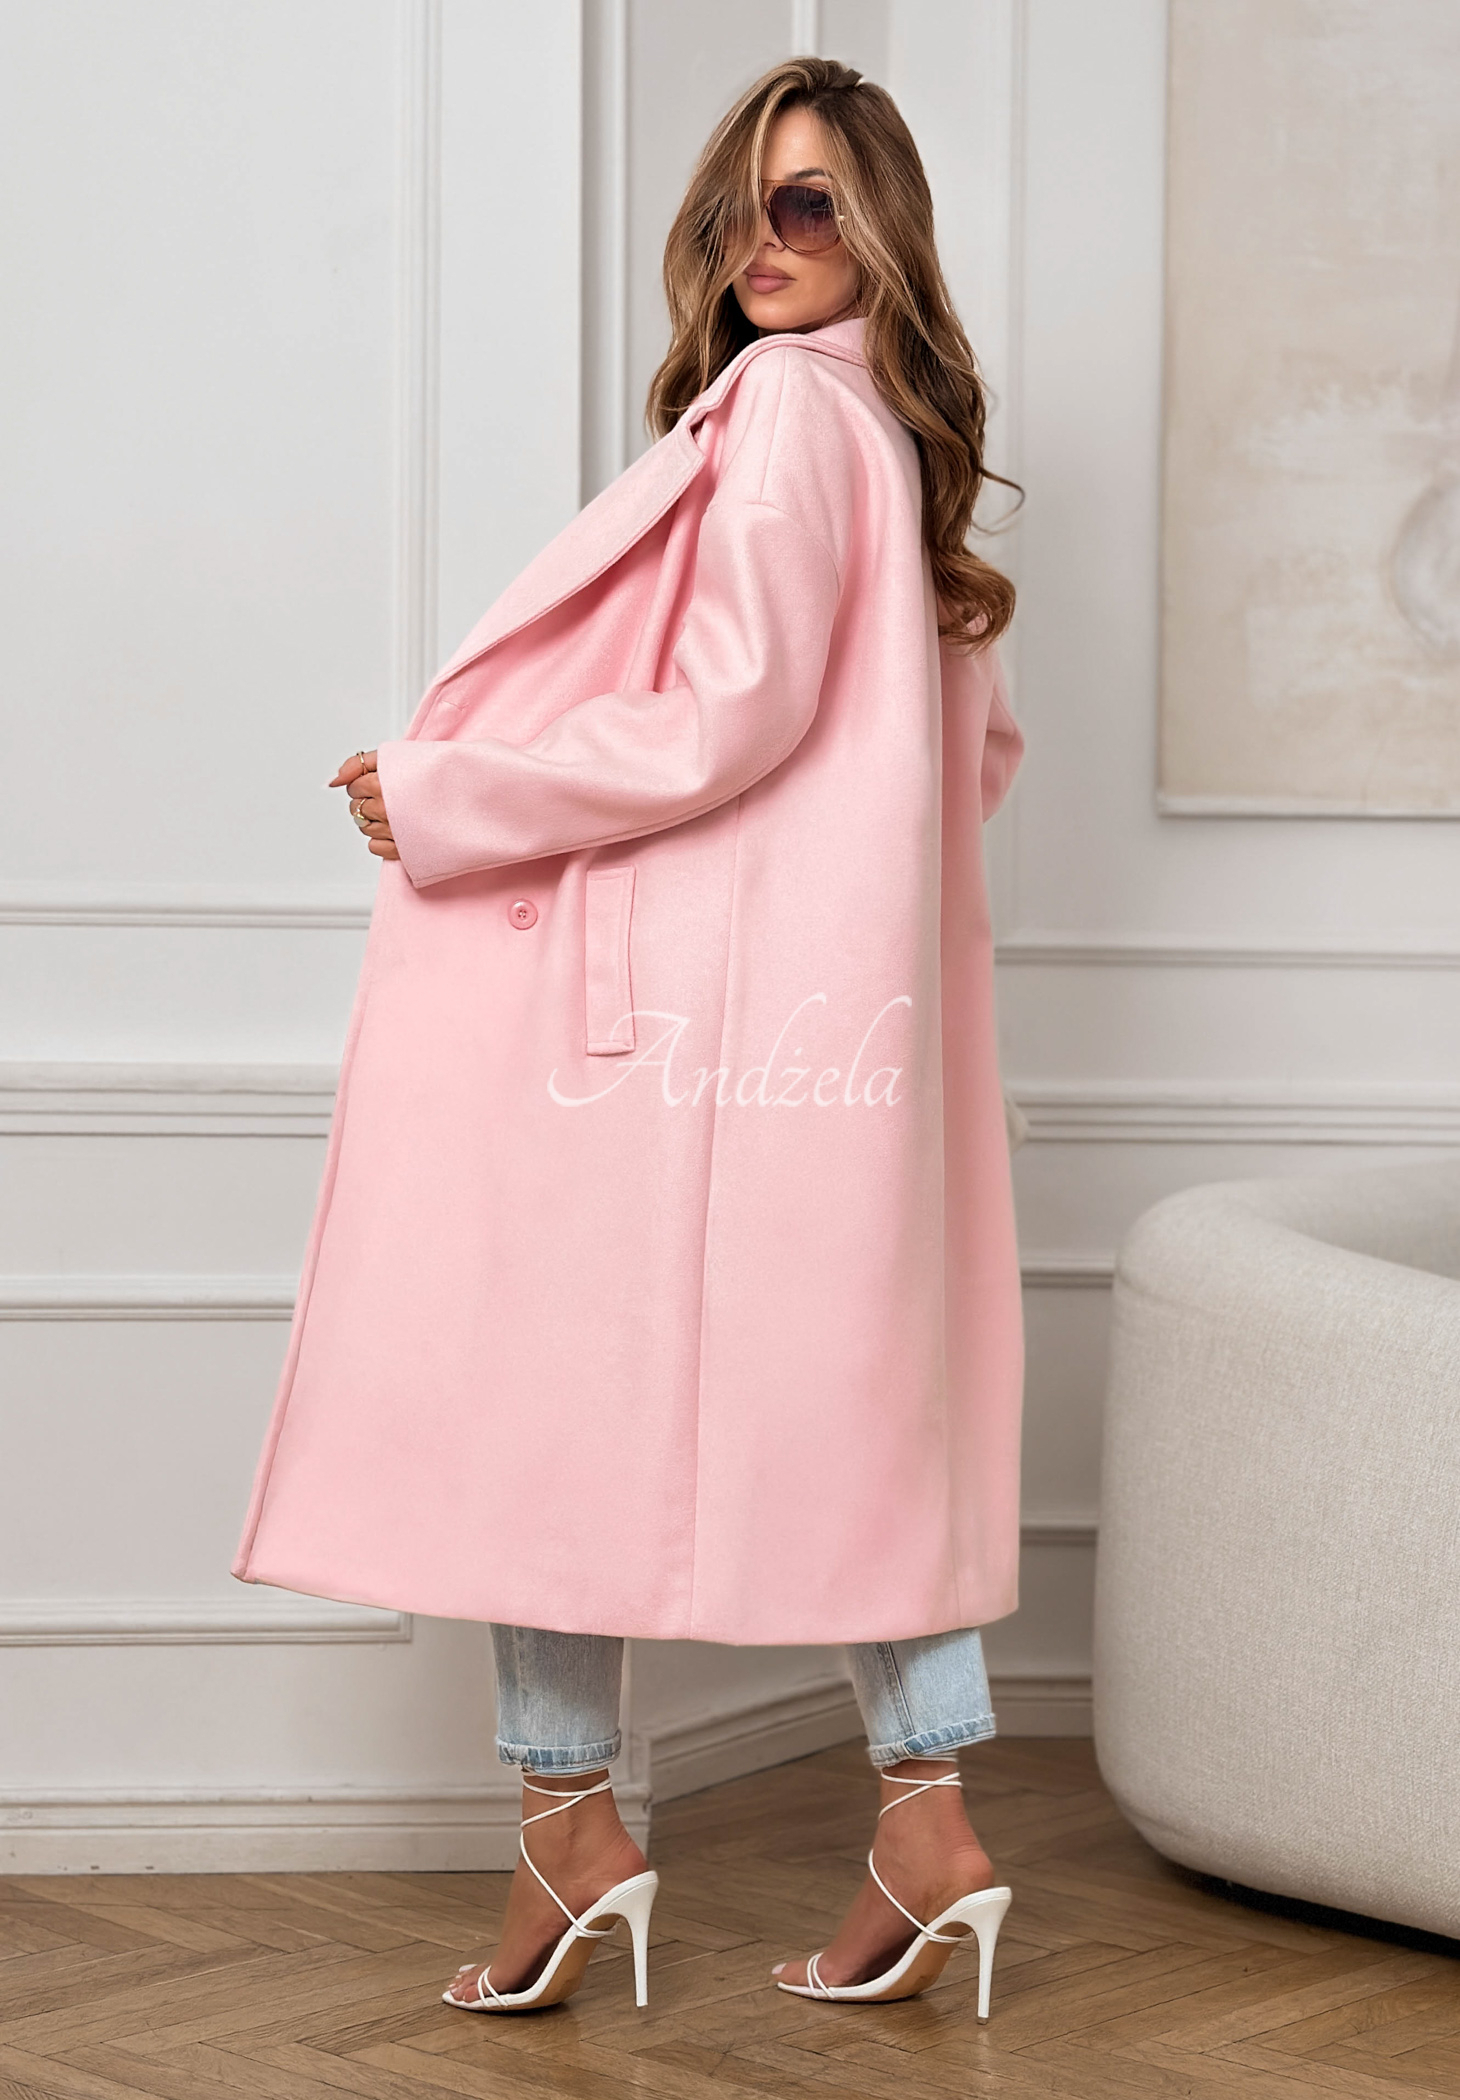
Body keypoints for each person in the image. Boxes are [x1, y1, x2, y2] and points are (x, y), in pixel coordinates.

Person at [232, 56, 1025, 2017]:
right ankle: (925, 1819)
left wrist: (457, 792)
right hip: (820, 1023)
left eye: (812, 202)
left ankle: (569, 1824)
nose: (766, 237)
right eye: (742, 203)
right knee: (857, 1407)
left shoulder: (786, 414)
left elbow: (729, 713)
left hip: (674, 1034)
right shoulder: (899, 440)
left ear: (882, 227)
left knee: (541, 1394)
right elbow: (969, 755)